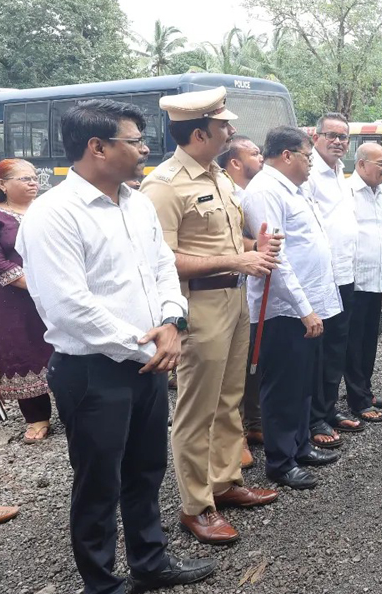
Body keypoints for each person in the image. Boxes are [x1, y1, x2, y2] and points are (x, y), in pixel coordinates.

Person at [15, 99, 216, 593]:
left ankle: (150, 561)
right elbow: (69, 307)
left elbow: (161, 268)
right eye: (136, 140)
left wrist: (172, 321)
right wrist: (147, 345)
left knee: (146, 470)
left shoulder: (136, 202)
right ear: (97, 147)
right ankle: (101, 581)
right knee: (98, 482)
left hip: (149, 360)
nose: (146, 148)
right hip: (93, 371)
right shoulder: (53, 214)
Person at [141, 86, 280, 546]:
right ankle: (196, 505)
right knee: (196, 409)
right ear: (200, 132)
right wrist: (238, 260)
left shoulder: (218, 176)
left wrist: (252, 248)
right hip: (197, 306)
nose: (231, 131)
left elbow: (222, 242)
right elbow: (161, 258)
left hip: (233, 299)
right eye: (223, 125)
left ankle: (225, 482)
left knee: (229, 398)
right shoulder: (164, 185)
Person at [242, 126, 341, 491]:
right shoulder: (265, 191)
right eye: (307, 156)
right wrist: (303, 308)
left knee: (301, 383)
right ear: (287, 155)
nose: (311, 163)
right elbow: (276, 259)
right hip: (282, 309)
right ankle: (280, 461)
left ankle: (299, 445)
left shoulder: (293, 190)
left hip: (305, 304)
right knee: (282, 386)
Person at [0, 159, 55, 443]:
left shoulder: (48, 210)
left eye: (35, 177)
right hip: (12, 299)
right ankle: (37, 416)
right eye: (24, 178)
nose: (33, 182)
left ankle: (74, 408)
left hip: (56, 291)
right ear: (2, 185)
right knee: (23, 348)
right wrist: (35, 286)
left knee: (64, 345)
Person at [304, 113, 364, 449]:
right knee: (319, 349)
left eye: (344, 137)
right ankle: (314, 418)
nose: (339, 141)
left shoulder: (340, 172)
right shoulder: (309, 172)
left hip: (344, 274)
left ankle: (328, 410)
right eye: (332, 135)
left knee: (336, 348)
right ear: (316, 136)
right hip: (321, 277)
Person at [217, 135, 264, 466]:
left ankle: (254, 423)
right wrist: (256, 248)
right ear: (235, 162)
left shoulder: (248, 193)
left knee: (251, 364)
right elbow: (232, 242)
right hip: (223, 288)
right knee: (230, 371)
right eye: (254, 153)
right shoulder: (227, 192)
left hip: (248, 286)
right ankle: (235, 439)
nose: (260, 158)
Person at [346, 142, 382, 422]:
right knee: (353, 343)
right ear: (361, 165)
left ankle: (365, 389)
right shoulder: (348, 192)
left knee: (369, 341)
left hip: (376, 279)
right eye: (381, 163)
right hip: (355, 281)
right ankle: (357, 399)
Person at [216, 135, 263, 202]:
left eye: (260, 154)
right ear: (236, 164)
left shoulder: (259, 193)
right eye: (255, 154)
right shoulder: (220, 197)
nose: (262, 158)